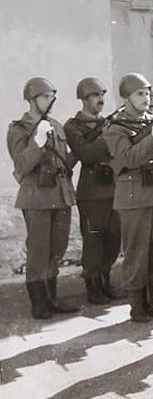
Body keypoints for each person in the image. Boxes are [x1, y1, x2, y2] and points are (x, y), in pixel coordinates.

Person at [103, 73, 153, 322]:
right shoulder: (115, 129)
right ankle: (137, 305)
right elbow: (129, 158)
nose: (145, 99)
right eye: (139, 94)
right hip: (134, 196)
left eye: (147, 93)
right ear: (125, 98)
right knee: (136, 251)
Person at [8, 77, 79, 319]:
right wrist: (37, 141)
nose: (50, 101)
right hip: (36, 196)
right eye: (45, 97)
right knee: (39, 250)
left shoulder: (57, 126)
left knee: (57, 248)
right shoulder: (19, 129)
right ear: (32, 99)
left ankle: (52, 298)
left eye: (52, 97)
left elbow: (65, 160)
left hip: (60, 194)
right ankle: (39, 302)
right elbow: (21, 165)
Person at [64, 77, 122, 305]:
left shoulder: (109, 123)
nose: (101, 100)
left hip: (113, 189)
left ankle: (106, 280)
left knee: (113, 239)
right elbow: (85, 153)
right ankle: (92, 285)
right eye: (95, 96)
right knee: (94, 239)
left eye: (102, 95)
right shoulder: (73, 126)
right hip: (91, 192)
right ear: (84, 99)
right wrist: (109, 137)